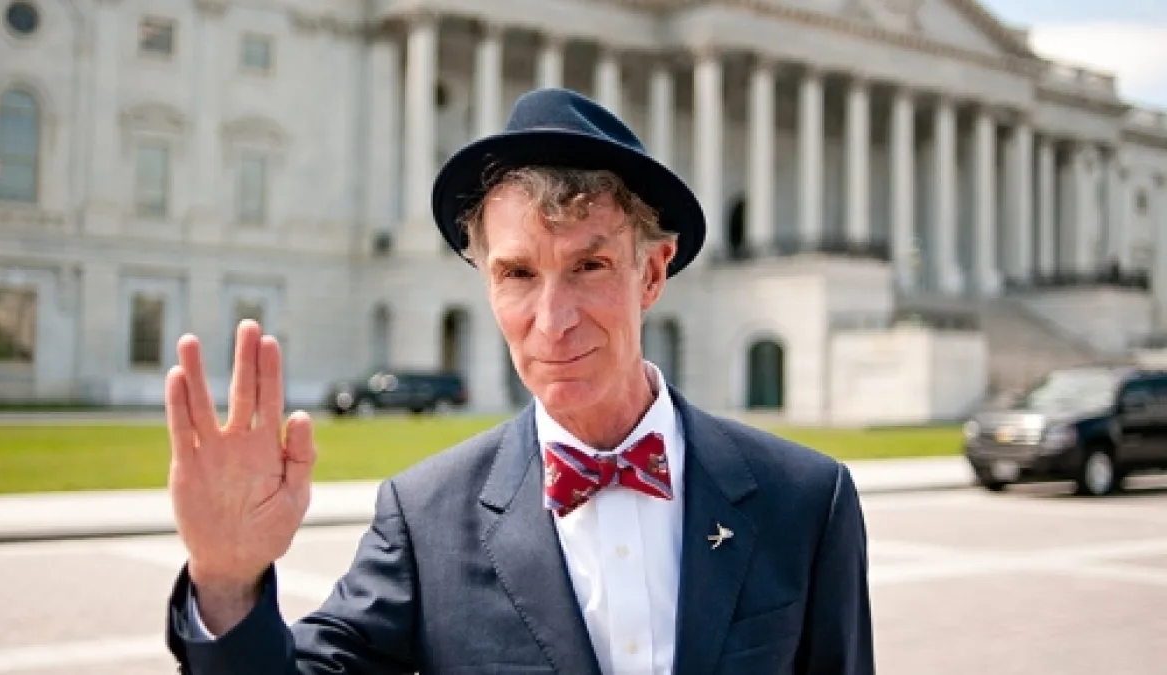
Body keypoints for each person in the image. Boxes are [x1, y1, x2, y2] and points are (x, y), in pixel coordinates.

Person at [163, 87, 874, 674]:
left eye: (589, 266)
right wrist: (227, 581)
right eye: (518, 273)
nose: (553, 320)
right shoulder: (426, 520)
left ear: (652, 273)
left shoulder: (806, 500)